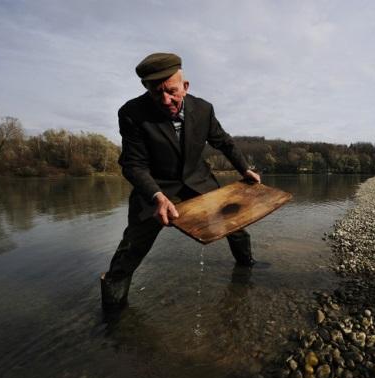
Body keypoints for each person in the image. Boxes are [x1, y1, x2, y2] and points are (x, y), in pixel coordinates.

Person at [101, 52, 261, 311]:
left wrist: (245, 169)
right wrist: (157, 196)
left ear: (185, 87)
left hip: (199, 181)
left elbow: (224, 142)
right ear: (146, 88)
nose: (165, 100)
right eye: (156, 93)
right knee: (132, 247)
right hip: (156, 188)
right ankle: (112, 308)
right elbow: (133, 164)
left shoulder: (204, 109)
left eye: (171, 91)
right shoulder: (131, 113)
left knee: (236, 226)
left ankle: (246, 266)